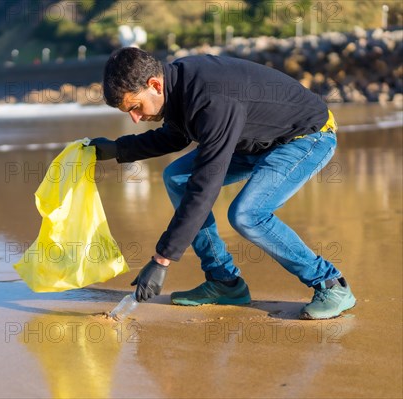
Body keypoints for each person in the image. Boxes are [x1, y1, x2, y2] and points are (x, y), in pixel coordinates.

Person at [87, 47, 356, 320]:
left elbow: (204, 187)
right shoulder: (178, 86)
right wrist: (117, 149)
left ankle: (331, 284)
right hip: (255, 142)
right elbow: (175, 137)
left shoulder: (210, 99)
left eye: (135, 107)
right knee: (176, 177)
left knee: (247, 215)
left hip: (307, 138)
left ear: (154, 85)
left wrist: (162, 259)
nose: (135, 118)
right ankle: (224, 281)